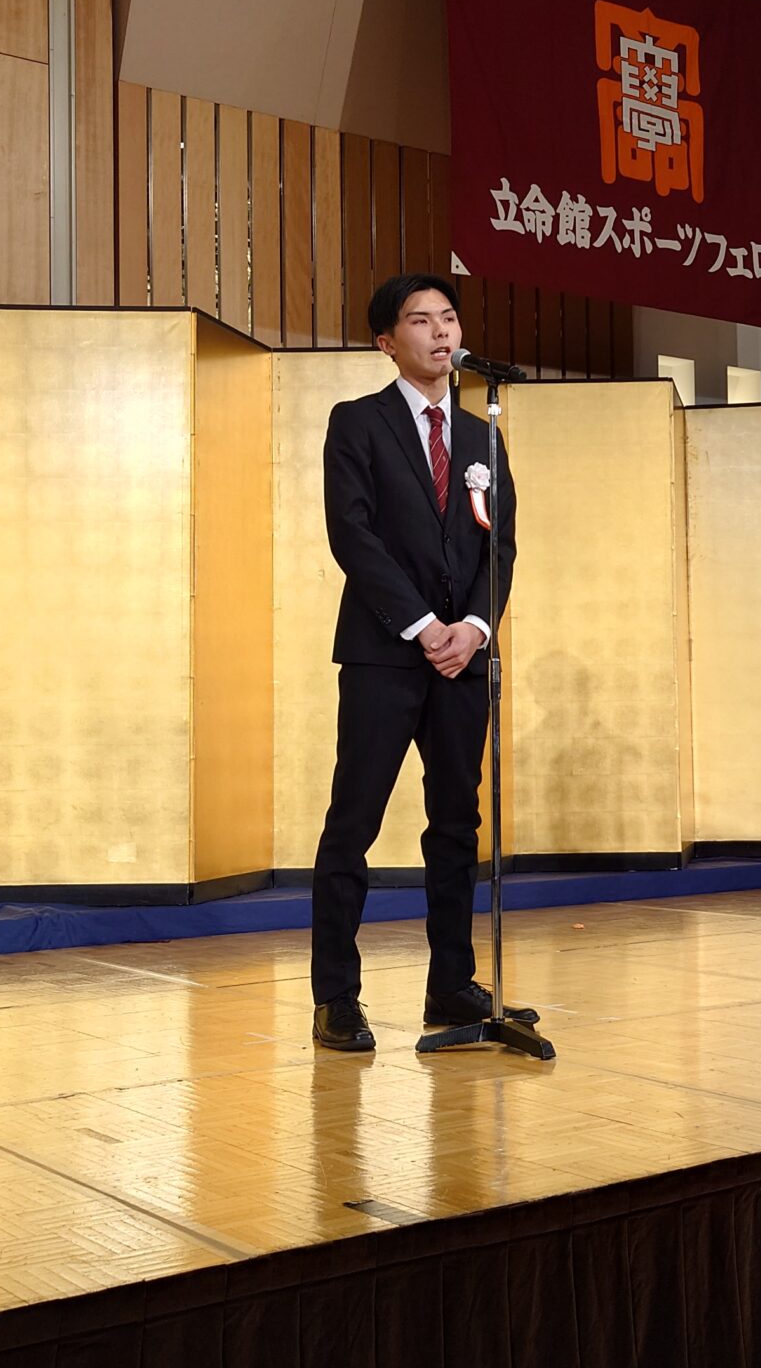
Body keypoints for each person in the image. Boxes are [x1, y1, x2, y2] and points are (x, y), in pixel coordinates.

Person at [310, 273, 539, 1052]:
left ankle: (451, 984)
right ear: (387, 341)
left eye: (449, 318)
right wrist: (422, 626)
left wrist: (472, 627)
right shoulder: (357, 422)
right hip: (385, 655)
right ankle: (336, 997)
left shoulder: (482, 435)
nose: (441, 332)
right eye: (420, 321)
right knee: (354, 822)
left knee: (455, 824)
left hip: (463, 662)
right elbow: (353, 535)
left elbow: (499, 545)